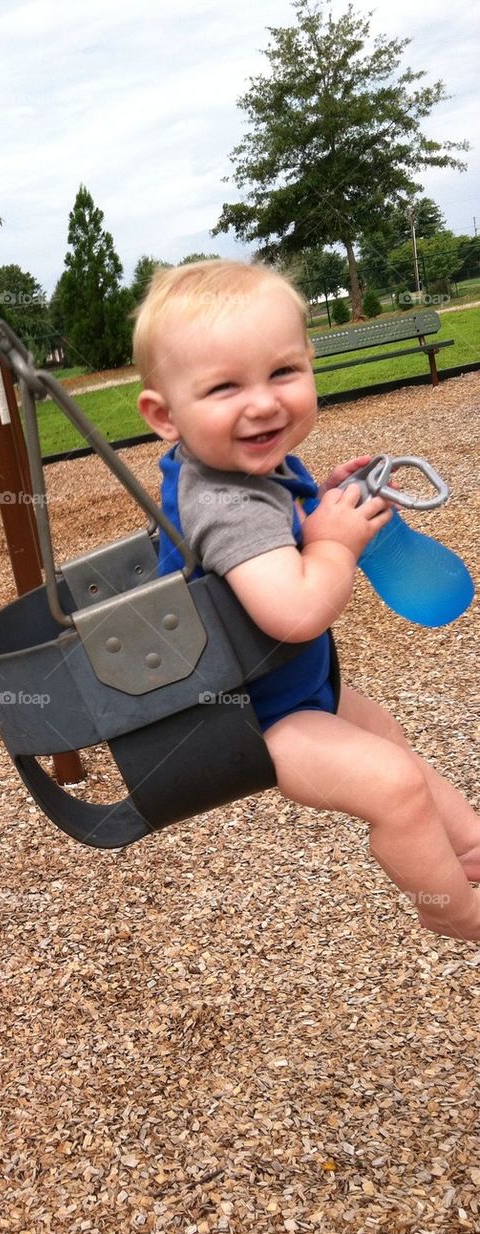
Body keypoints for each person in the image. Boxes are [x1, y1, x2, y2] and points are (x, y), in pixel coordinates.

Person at [133, 259, 480, 941]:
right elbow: (293, 610)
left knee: (384, 737)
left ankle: (468, 845)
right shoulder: (227, 502)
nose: (262, 402)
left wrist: (321, 504)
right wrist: (333, 544)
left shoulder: (248, 468)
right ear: (162, 415)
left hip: (285, 690)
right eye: (225, 386)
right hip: (247, 721)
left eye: (282, 373)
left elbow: (272, 539)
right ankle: (457, 914)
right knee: (393, 787)